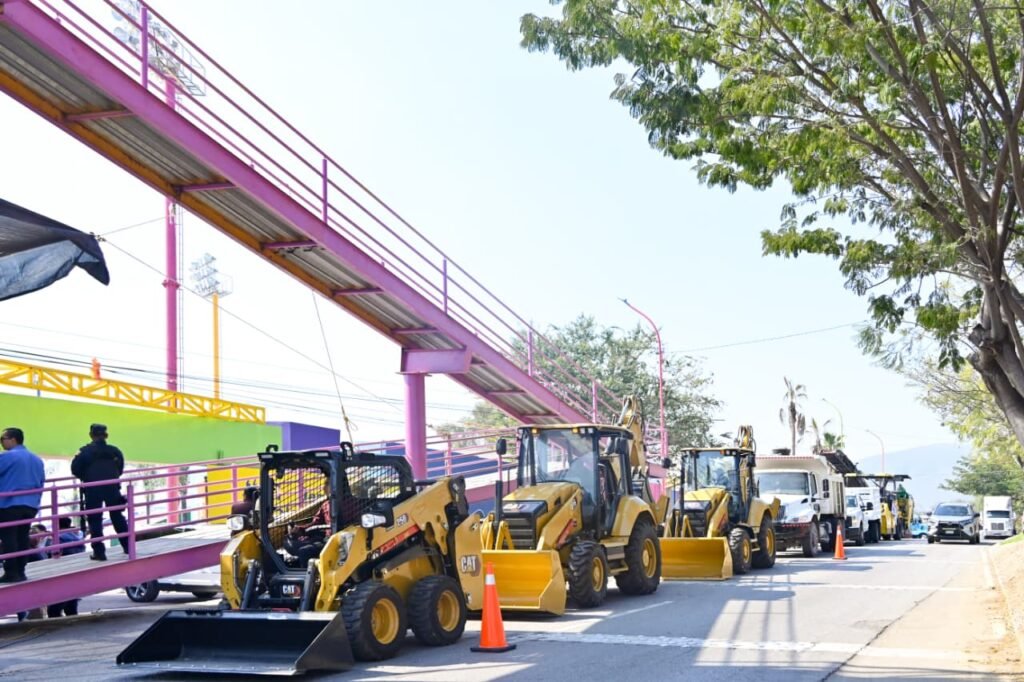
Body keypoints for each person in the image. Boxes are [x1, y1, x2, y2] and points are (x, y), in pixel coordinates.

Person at [71, 424, 129, 561]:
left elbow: (75, 470)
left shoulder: (84, 452)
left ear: (91, 435)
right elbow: (120, 469)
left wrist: (87, 476)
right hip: (112, 487)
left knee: (95, 520)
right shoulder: (115, 451)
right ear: (106, 436)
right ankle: (128, 546)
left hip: (92, 488)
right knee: (117, 516)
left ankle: (99, 552)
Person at [0, 427, 46, 583]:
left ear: (13, 439)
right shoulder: (37, 460)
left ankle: (11, 572)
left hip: (9, 503)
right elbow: (41, 482)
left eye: (2, 439)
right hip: (30, 504)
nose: (1, 443)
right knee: (22, 536)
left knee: (9, 537)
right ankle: (20, 571)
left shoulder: (7, 457)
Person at [42, 517, 84, 617]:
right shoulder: (77, 538)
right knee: (71, 605)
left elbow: (51, 554)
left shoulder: (58, 538)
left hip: (60, 571)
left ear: (57, 525)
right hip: (74, 570)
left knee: (54, 609)